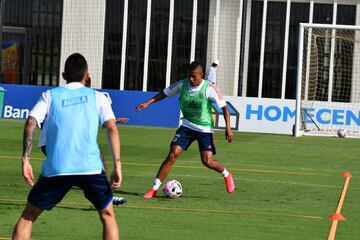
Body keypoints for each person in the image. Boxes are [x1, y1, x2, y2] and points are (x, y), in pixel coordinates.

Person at [13, 53, 122, 239]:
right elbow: (111, 128)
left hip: (57, 168)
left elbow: (31, 121)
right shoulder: (98, 97)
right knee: (107, 215)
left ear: (64, 75)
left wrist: (25, 159)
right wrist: (117, 166)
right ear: (87, 76)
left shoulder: (50, 95)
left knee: (29, 216)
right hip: (90, 168)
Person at [136, 61, 235, 198]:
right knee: (172, 155)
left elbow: (224, 108)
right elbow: (164, 93)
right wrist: (147, 103)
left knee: (207, 161)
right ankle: (153, 189)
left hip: (204, 129)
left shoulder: (210, 88)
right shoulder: (182, 85)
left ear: (201, 75)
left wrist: (228, 128)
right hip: (187, 126)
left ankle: (227, 174)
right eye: (189, 76)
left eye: (194, 76)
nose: (191, 79)